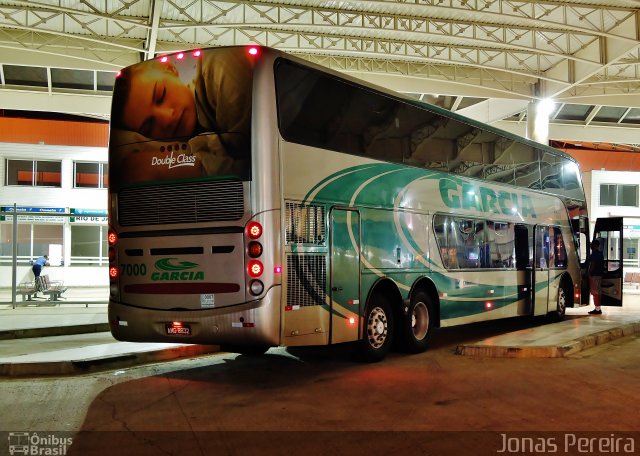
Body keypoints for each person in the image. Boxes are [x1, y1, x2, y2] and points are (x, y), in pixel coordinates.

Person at [110, 47, 254, 182]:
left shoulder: (221, 71)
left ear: (169, 68)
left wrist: (179, 170)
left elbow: (263, 171)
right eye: (150, 126)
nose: (167, 118)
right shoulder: (194, 136)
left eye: (161, 95)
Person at [588, 240, 604, 315]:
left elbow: (593, 265)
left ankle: (597, 309)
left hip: (595, 275)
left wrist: (589, 273)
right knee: (598, 292)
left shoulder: (594, 254)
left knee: (595, 292)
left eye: (592, 244)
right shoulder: (600, 254)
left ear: (595, 245)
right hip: (599, 275)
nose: (591, 246)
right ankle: (598, 308)